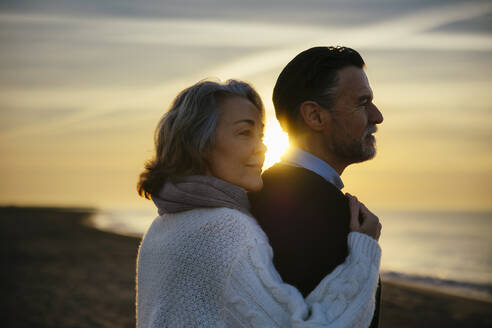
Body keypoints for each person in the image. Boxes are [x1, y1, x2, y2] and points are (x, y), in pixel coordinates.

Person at [136, 78, 382, 327]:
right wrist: (363, 251)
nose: (261, 148)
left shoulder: (161, 228)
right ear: (199, 144)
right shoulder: (227, 230)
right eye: (244, 133)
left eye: (261, 135)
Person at [249, 46, 384, 327]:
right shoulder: (331, 218)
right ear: (315, 116)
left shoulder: (260, 192)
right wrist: (364, 251)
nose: (377, 116)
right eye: (362, 102)